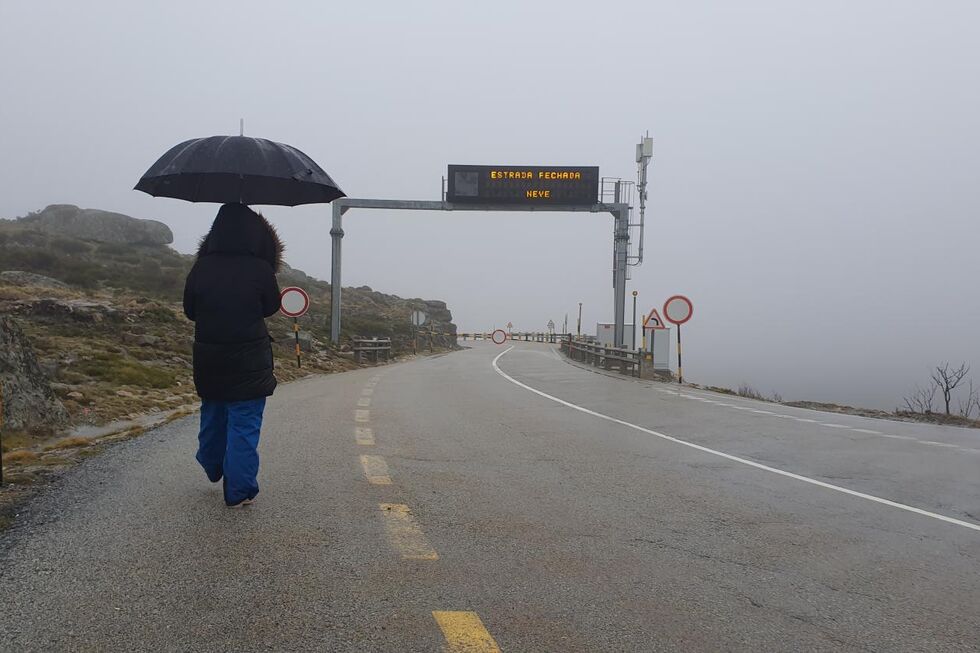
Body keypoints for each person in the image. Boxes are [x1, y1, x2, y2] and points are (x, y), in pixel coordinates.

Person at [183, 203, 282, 507]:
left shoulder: (202, 267)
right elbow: (271, 306)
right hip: (249, 357)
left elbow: (190, 311)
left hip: (209, 355)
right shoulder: (260, 268)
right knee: (244, 423)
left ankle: (212, 464)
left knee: (213, 413)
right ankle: (238, 491)